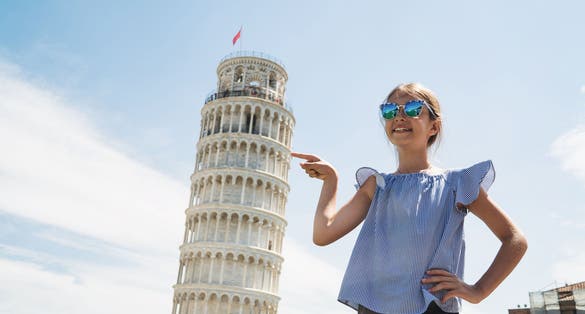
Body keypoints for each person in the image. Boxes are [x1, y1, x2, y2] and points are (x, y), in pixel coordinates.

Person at [291, 83, 527, 314]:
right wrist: (331, 181)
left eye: (413, 109)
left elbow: (514, 240)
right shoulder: (377, 186)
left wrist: (478, 291)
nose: (399, 116)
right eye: (390, 111)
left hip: (432, 308)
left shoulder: (457, 184)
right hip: (373, 308)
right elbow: (323, 234)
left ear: (434, 127)